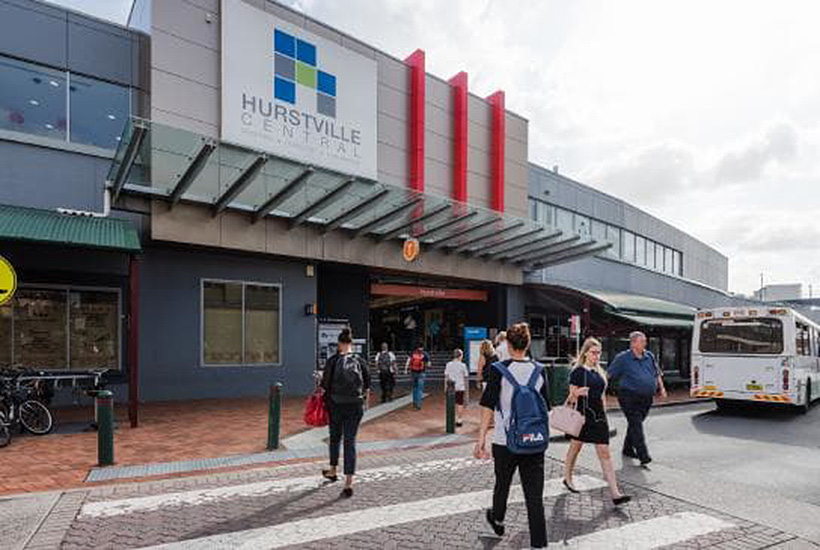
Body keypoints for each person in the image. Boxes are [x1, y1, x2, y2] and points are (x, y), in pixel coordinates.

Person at [475, 323, 549, 550]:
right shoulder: (540, 370)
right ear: (528, 344)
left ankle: (497, 520)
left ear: (508, 344)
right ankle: (539, 544)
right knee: (534, 496)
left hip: (504, 441)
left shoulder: (498, 370)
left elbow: (487, 407)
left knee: (503, 485)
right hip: (534, 440)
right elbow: (546, 408)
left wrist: (480, 442)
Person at [563, 337, 631, 506]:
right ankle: (567, 477)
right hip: (583, 415)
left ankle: (615, 493)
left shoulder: (599, 372)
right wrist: (578, 393)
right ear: (585, 353)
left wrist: (605, 414)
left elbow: (602, 396)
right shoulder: (577, 372)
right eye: (594, 352)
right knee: (575, 447)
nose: (597, 356)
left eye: (599, 352)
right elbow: (570, 397)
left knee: (605, 453)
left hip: (599, 416)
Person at [321, 327, 371, 498]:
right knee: (350, 442)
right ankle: (349, 482)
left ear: (339, 344)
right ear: (351, 344)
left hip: (335, 405)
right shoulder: (360, 360)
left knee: (335, 438)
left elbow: (324, 386)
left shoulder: (333, 360)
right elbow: (367, 384)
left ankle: (333, 470)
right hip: (355, 406)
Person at [607, 331, 667, 466]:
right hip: (628, 396)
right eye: (642, 341)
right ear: (633, 343)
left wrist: (661, 388)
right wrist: (597, 387)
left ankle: (627, 449)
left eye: (645, 341)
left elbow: (657, 373)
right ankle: (643, 455)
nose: (645, 343)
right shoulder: (622, 358)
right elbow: (608, 374)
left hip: (646, 398)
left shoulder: (649, 356)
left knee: (636, 423)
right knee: (636, 424)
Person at [444, 349, 469, 427]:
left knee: (451, 404)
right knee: (460, 403)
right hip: (460, 387)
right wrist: (467, 391)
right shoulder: (463, 365)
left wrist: (445, 387)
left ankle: (451, 419)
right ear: (460, 356)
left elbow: (446, 377)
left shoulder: (448, 364)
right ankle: (459, 419)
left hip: (451, 387)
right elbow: (466, 378)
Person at [405, 343, 431, 410]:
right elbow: (429, 364)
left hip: (413, 372)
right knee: (420, 389)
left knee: (414, 388)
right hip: (421, 373)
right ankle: (418, 405)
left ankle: (414, 403)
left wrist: (406, 369)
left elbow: (408, 362)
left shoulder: (413, 353)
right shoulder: (425, 354)